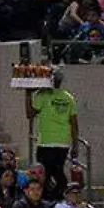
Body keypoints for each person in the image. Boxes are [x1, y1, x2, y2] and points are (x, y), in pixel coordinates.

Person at [26, 69, 79, 200]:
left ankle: (55, 196)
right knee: (56, 170)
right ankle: (57, 196)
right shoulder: (68, 97)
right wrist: (75, 144)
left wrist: (27, 95)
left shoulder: (42, 95)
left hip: (46, 142)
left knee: (46, 173)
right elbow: (74, 123)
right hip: (62, 142)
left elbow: (29, 113)